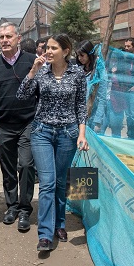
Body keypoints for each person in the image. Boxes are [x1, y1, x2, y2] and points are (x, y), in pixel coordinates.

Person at [16, 33, 89, 251]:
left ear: (66, 51)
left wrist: (82, 134)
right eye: (47, 47)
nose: (48, 51)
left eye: (54, 48)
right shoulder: (41, 71)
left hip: (68, 134)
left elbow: (81, 108)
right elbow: (21, 96)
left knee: (60, 183)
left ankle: (60, 224)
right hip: (42, 132)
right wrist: (32, 72)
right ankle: (45, 234)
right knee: (47, 183)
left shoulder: (77, 74)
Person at [0, 22, 37, 232]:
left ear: (18, 38)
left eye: (8, 37)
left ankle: (25, 209)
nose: (4, 40)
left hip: (28, 124)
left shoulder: (32, 62)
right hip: (2, 126)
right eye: (1, 37)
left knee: (25, 165)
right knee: (8, 169)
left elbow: (40, 91)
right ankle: (12, 206)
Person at [75, 40, 107, 133]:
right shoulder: (79, 70)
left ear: (89, 54)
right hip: (79, 116)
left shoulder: (99, 71)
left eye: (82, 55)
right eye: (78, 55)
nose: (80, 58)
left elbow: (102, 98)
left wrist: (98, 121)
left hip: (93, 116)